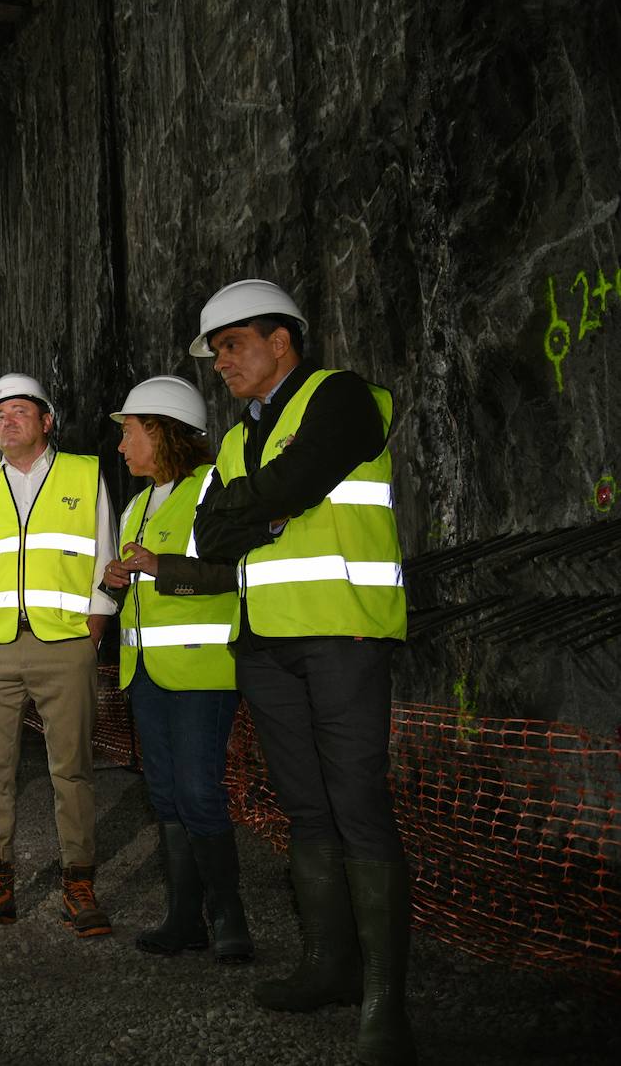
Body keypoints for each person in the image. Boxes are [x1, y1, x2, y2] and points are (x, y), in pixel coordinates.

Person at [190, 280, 412, 1065]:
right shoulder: (233, 438)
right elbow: (209, 537)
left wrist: (258, 506)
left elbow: (304, 478)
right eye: (216, 352)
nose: (222, 363)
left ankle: (387, 1000)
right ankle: (329, 963)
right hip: (266, 642)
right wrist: (262, 509)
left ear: (281, 339)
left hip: (344, 632)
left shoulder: (342, 396)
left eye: (232, 345)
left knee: (357, 802)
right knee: (306, 807)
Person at [0, 372, 118, 938]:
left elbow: (104, 550)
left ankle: (79, 883)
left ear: (47, 420)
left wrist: (93, 630)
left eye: (20, 411)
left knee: (71, 769)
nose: (7, 420)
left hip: (65, 642)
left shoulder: (84, 473)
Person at [100, 376, 252, 964]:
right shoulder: (138, 504)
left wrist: (158, 564)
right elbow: (141, 581)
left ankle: (229, 918)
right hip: (146, 675)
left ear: (161, 431)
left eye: (130, 433)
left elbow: (230, 571)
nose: (122, 447)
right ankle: (185, 918)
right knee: (164, 795)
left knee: (197, 792)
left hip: (202, 672)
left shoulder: (212, 488)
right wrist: (117, 578)